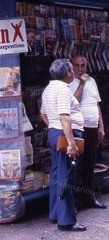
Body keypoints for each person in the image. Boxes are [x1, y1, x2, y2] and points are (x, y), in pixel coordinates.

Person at [40, 58, 86, 232]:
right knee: (65, 177)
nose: (74, 72)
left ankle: (55, 214)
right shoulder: (62, 90)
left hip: (55, 133)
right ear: (67, 73)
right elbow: (65, 117)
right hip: (64, 136)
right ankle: (66, 221)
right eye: (72, 70)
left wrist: (53, 127)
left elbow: (43, 113)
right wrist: (72, 143)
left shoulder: (49, 89)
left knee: (56, 175)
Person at [70, 55, 107, 209]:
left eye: (83, 65)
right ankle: (77, 200)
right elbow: (74, 102)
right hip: (77, 128)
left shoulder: (92, 81)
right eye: (77, 65)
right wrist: (81, 84)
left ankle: (89, 197)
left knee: (90, 163)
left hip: (92, 126)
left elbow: (96, 105)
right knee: (77, 165)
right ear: (72, 67)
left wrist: (101, 126)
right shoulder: (69, 82)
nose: (80, 68)